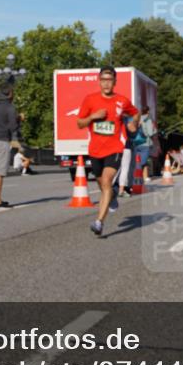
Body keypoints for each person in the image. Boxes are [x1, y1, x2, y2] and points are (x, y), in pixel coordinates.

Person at [77, 66, 139, 237]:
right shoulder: (90, 100)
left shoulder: (122, 101)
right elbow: (79, 123)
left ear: (115, 82)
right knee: (102, 185)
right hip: (95, 150)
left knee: (106, 181)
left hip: (115, 149)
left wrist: (134, 124)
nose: (106, 84)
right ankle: (111, 197)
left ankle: (99, 222)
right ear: (99, 81)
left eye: (109, 80)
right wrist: (92, 117)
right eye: (103, 80)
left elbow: (135, 113)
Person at [0, 84, 20, 208]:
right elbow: (13, 127)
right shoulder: (10, 108)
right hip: (2, 141)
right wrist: (19, 119)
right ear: (10, 94)